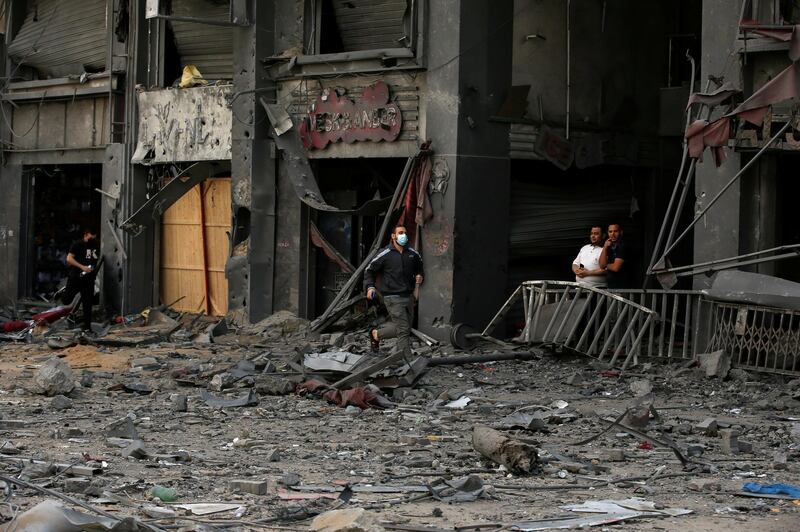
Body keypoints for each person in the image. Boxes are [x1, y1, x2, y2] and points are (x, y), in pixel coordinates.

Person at [364, 225, 424, 356]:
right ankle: (406, 360)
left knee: (405, 328)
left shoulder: (413, 254)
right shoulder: (385, 254)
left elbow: (419, 267)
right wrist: (370, 286)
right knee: (403, 329)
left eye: (405, 233)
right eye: (400, 233)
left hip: (408, 297)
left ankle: (376, 334)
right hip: (392, 297)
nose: (404, 235)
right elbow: (369, 270)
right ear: (393, 236)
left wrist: (419, 275)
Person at [62, 228, 99, 331]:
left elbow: (95, 259)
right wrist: (82, 267)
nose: (94, 238)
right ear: (86, 234)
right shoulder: (78, 244)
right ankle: (62, 293)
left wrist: (91, 269)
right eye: (92, 235)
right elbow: (69, 259)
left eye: (95, 236)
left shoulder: (95, 245)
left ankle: (87, 327)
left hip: (88, 279)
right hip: (75, 277)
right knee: (66, 299)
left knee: (88, 304)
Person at [599, 223, 628, 289]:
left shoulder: (623, 246)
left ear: (621, 232)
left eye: (615, 231)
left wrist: (606, 265)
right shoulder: (609, 246)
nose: (612, 234)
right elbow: (601, 265)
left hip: (623, 287)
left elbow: (615, 268)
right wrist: (605, 247)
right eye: (610, 231)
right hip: (611, 287)